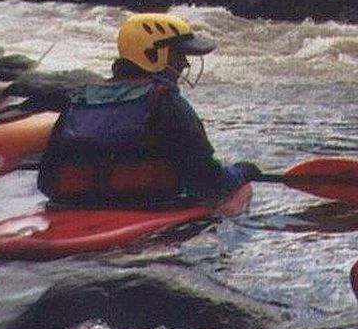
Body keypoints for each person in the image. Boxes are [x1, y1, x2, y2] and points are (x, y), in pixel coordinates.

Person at [38, 12, 252, 206]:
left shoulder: (80, 98)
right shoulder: (167, 102)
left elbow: (46, 182)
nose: (185, 64)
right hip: (149, 208)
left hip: (74, 207)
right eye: (179, 55)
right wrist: (241, 172)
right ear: (154, 55)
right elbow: (209, 182)